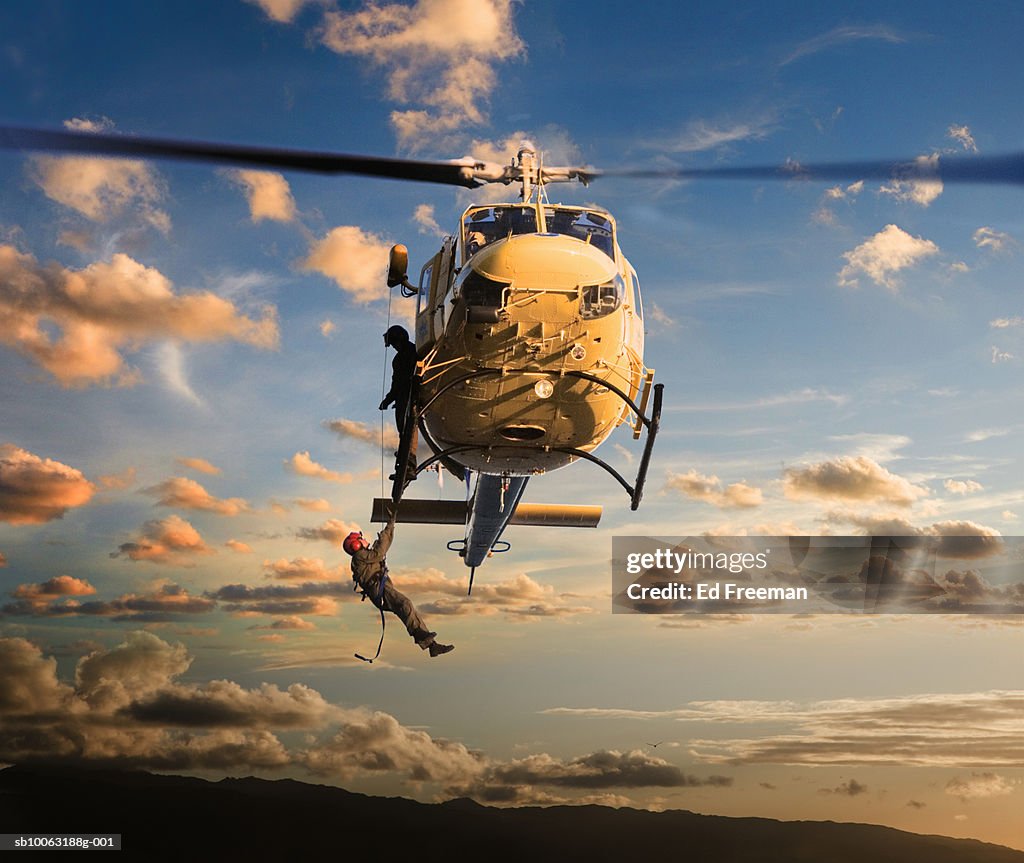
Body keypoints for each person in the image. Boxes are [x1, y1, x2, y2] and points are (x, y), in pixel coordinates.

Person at [343, 515, 454, 658]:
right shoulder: (359, 556)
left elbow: (380, 548)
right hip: (380, 590)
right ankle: (424, 637)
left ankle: (431, 645)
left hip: (380, 590)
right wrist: (389, 527)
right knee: (405, 603)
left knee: (406, 609)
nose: (364, 538)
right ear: (356, 544)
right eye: (360, 538)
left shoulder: (364, 556)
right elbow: (380, 551)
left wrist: (390, 527)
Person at [379, 325, 418, 484]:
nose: (394, 347)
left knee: (408, 429)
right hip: (404, 397)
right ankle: (405, 462)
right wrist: (389, 400)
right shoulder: (406, 354)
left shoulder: (410, 354)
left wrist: (389, 400)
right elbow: (397, 383)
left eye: (394, 343)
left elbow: (399, 382)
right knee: (404, 430)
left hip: (410, 396)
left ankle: (409, 463)